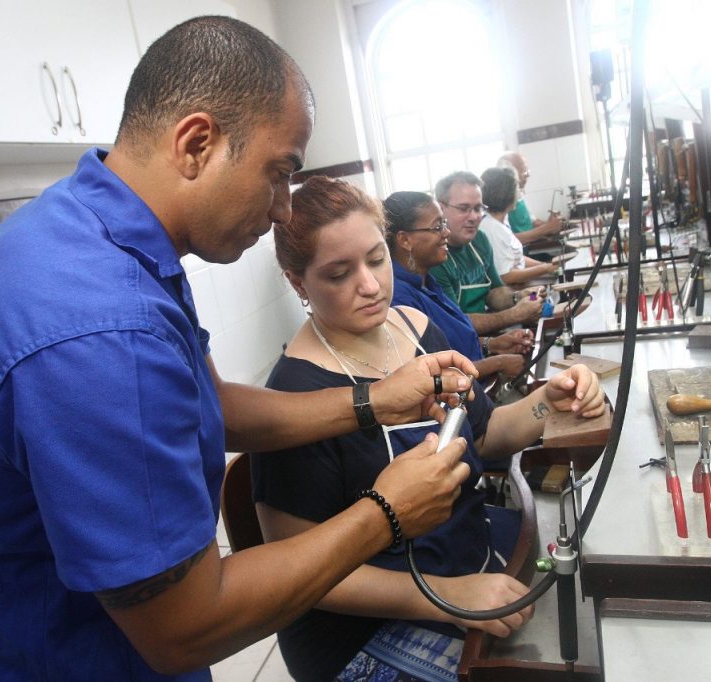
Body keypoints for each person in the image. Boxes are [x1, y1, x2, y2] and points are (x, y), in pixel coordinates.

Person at [0, 17, 480, 681]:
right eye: (279, 173)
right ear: (197, 143)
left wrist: (375, 400)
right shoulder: (99, 331)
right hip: (44, 653)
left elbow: (213, 405)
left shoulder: (107, 231)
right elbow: (185, 628)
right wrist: (385, 515)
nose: (284, 210)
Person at [252, 176, 605, 681]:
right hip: (368, 627)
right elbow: (302, 576)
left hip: (467, 555)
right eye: (338, 274)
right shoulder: (293, 400)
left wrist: (545, 405)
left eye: (376, 260)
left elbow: (484, 436)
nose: (370, 286)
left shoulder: (413, 327)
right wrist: (444, 598)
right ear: (297, 282)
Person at [384, 190, 533, 382]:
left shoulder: (427, 282)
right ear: (405, 240)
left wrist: (493, 344)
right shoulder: (400, 299)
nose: (446, 232)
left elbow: (451, 344)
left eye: (444, 224)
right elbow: (433, 374)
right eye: (437, 227)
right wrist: (498, 363)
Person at [428, 171, 546, 337]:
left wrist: (517, 297)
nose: (474, 217)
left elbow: (495, 292)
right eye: (464, 208)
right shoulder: (435, 258)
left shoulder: (480, 240)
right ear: (441, 209)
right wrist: (515, 314)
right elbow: (457, 322)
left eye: (478, 208)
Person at [478, 166, 561, 286]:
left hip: (520, 285)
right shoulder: (491, 228)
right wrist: (545, 269)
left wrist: (547, 266)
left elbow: (517, 259)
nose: (519, 193)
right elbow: (505, 276)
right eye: (517, 188)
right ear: (506, 194)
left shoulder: (501, 220)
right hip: (510, 293)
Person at [498, 151, 565, 246]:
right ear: (511, 174)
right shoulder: (499, 204)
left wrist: (552, 225)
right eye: (524, 171)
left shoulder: (519, 193)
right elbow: (508, 240)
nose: (528, 175)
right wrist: (547, 229)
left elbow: (532, 221)